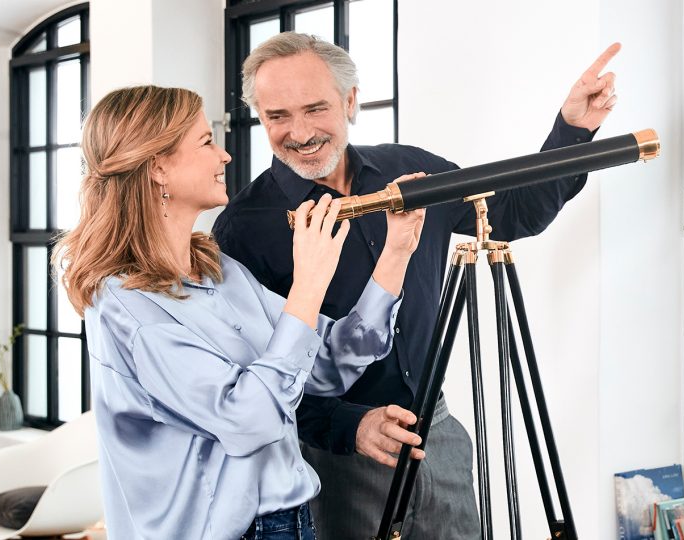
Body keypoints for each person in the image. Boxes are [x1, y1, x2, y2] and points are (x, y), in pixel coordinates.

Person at [212, 32, 619, 538]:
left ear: (351, 100)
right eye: (277, 116)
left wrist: (573, 129)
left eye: (315, 108)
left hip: (439, 434)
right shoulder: (242, 227)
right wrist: (347, 427)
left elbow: (513, 213)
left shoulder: (406, 168)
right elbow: (252, 378)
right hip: (338, 458)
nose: (299, 132)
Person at [57, 85, 429, 539]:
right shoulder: (128, 309)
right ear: (158, 168)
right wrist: (309, 283)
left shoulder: (220, 271)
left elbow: (328, 367)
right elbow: (247, 421)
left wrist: (396, 251)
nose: (225, 156)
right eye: (205, 141)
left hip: (292, 518)